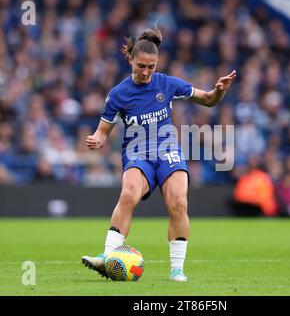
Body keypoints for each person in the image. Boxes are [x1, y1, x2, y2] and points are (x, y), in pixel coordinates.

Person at [81, 28, 236, 281]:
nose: (145, 72)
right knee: (129, 193)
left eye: (151, 67)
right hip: (137, 152)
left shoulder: (168, 83)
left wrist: (219, 90)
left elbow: (208, 99)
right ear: (130, 59)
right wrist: (97, 139)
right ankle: (108, 258)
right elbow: (102, 131)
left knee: (179, 203)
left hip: (167, 151)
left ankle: (177, 270)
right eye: (141, 66)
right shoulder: (118, 94)